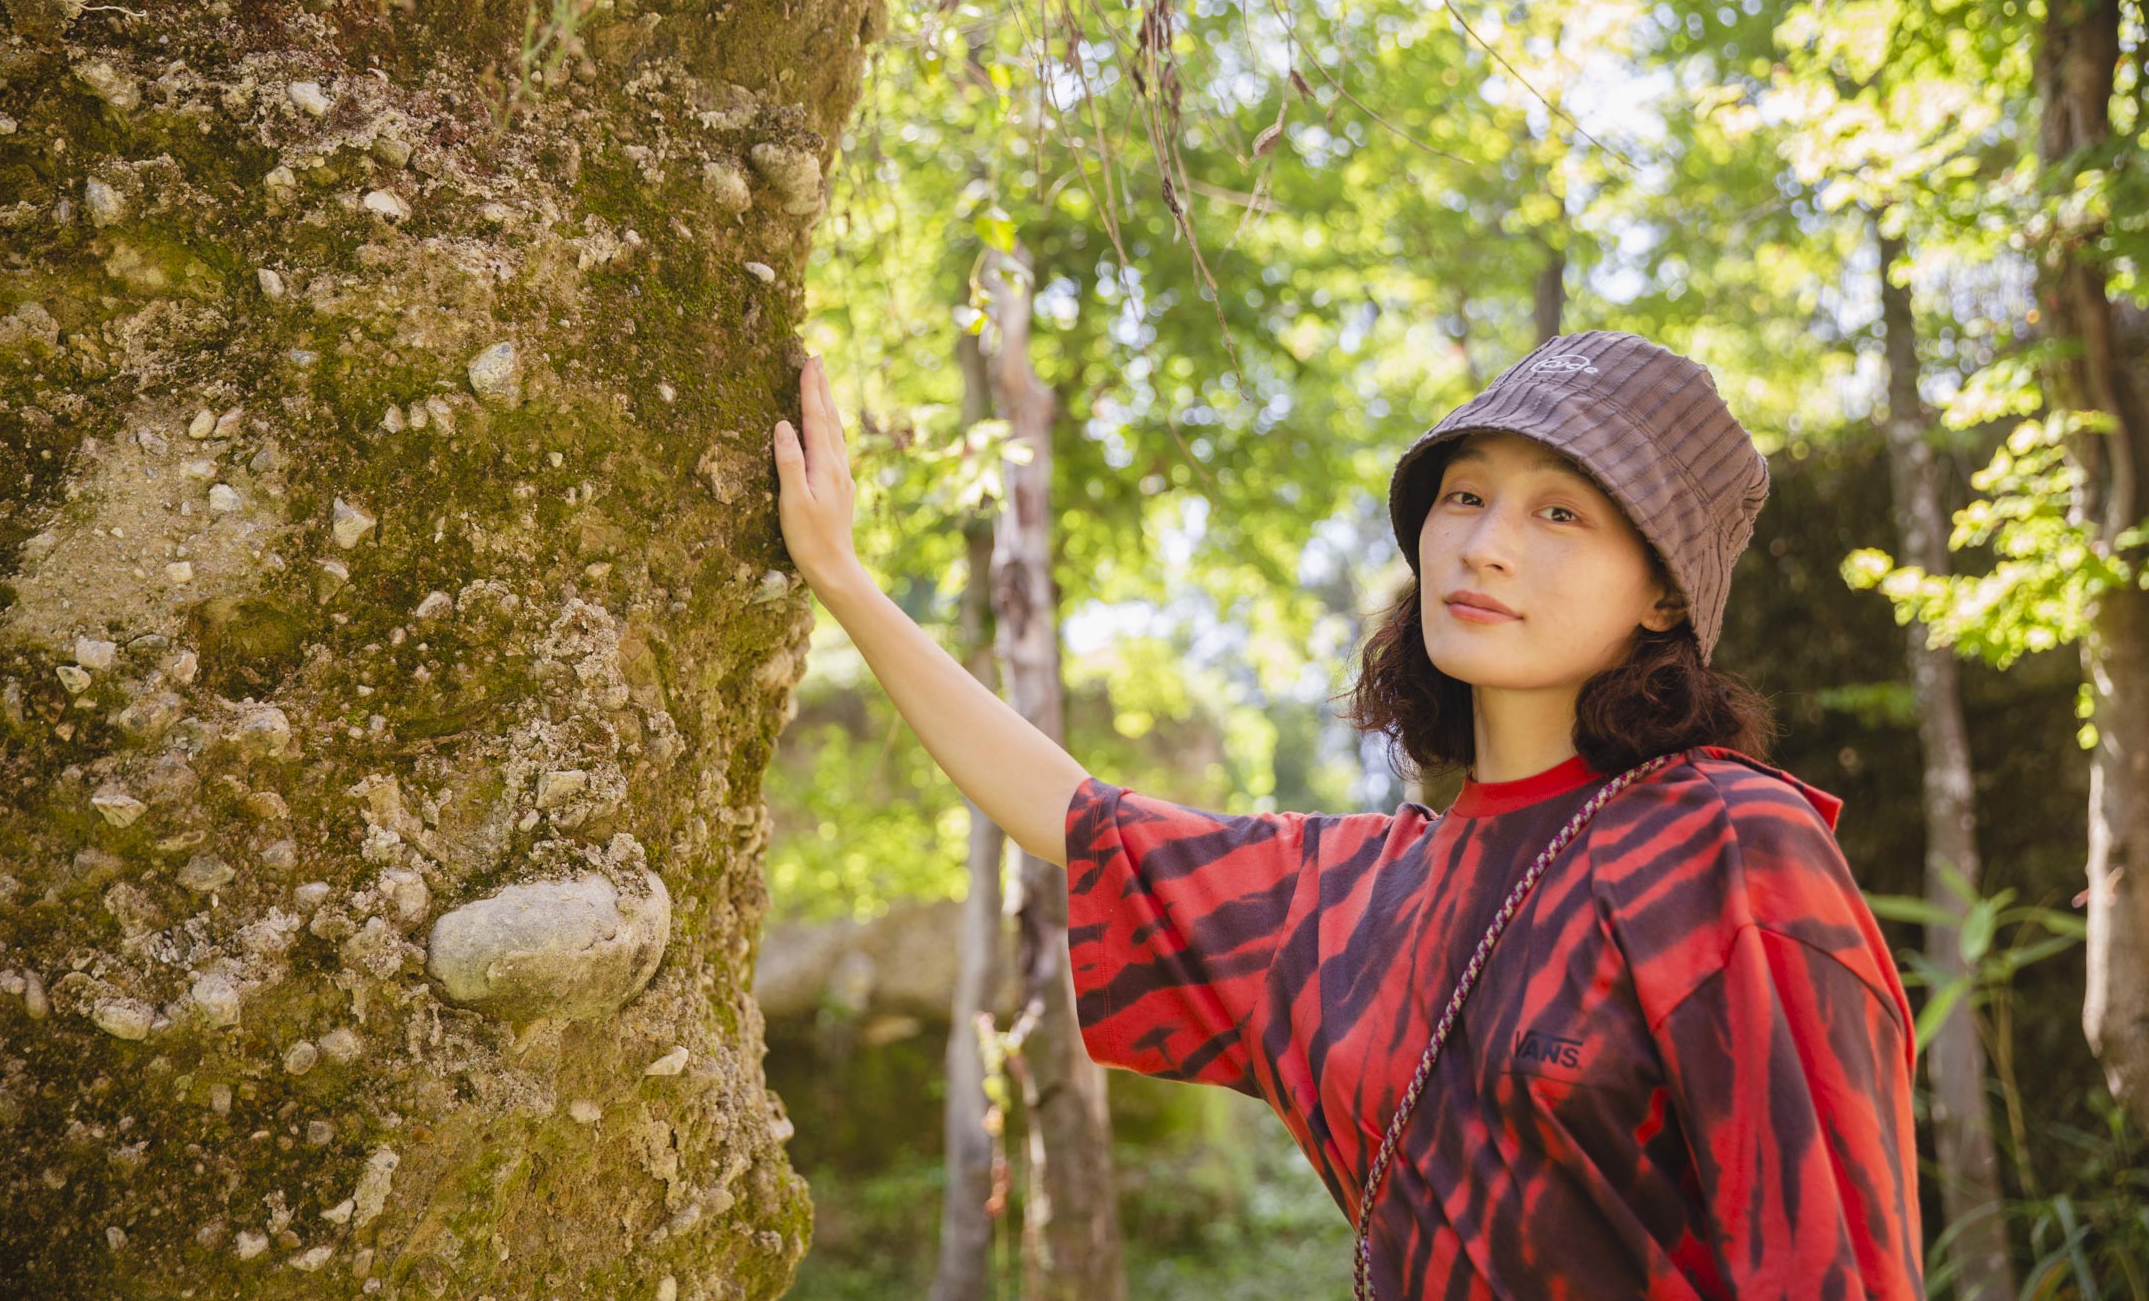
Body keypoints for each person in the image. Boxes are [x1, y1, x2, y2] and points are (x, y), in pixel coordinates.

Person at [769, 329, 1926, 1299]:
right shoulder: (1356, 893)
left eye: (1560, 514)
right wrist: (847, 584)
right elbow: (1080, 821)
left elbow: (1838, 1259)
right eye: (1464, 496)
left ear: (1665, 589)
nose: (1484, 544)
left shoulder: (1722, 846)